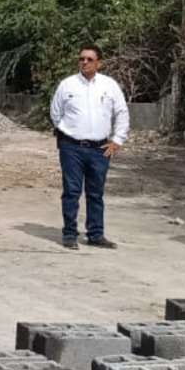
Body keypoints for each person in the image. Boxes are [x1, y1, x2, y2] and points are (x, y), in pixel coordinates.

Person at [49, 44, 129, 250]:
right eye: (81, 59)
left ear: (98, 63)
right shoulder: (67, 85)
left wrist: (117, 140)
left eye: (89, 59)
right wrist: (66, 132)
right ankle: (69, 234)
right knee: (71, 191)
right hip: (72, 147)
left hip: (100, 149)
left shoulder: (109, 85)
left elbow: (121, 112)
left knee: (95, 193)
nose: (84, 62)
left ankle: (95, 234)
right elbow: (55, 113)